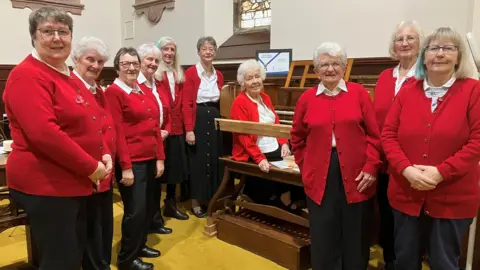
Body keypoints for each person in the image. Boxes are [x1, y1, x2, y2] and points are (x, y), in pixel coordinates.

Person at [3, 7, 110, 269]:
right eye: (47, 31)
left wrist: (104, 152)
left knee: (73, 254)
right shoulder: (27, 75)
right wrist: (91, 166)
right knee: (60, 260)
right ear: (33, 36)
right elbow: (44, 134)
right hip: (47, 184)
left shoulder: (67, 74)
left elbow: (93, 118)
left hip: (73, 180)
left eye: (63, 31)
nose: (56, 38)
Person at [381, 27, 480, 270]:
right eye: (434, 48)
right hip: (407, 192)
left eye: (448, 48)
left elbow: (477, 141)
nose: (440, 54)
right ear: (424, 55)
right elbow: (388, 135)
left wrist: (441, 172)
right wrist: (406, 170)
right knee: (405, 260)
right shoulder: (407, 91)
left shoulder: (472, 91)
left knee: (444, 263)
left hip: (452, 196)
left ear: (458, 56)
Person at [290, 42, 381, 270]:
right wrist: (306, 167)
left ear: (344, 67)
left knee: (355, 231)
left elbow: (374, 135)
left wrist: (371, 166)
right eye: (324, 64)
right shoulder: (306, 99)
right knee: (324, 232)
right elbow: (297, 139)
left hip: (358, 173)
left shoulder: (359, 94)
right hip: (320, 172)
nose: (330, 69)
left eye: (335, 64)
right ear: (315, 69)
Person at [105, 47, 165, 270]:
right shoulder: (114, 92)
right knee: (135, 211)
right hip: (132, 163)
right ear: (117, 67)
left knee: (148, 208)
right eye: (125, 64)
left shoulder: (141, 89)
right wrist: (126, 167)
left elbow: (154, 126)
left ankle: (139, 246)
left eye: (134, 63)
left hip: (149, 159)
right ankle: (127, 259)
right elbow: (117, 132)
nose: (131, 68)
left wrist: (160, 157)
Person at [373, 20, 423, 270]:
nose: (404, 43)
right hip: (383, 161)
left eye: (410, 38)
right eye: (400, 39)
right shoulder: (384, 77)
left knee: (407, 221)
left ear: (420, 44)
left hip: (409, 162)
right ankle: (390, 260)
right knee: (385, 215)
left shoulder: (425, 77)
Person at [230, 59, 305, 212]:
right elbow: (243, 136)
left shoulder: (265, 98)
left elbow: (275, 122)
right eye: (249, 78)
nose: (255, 81)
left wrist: (284, 142)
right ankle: (278, 202)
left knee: (296, 162)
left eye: (257, 76)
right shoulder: (239, 102)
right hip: (253, 151)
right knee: (282, 169)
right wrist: (259, 158)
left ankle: (294, 201)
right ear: (243, 83)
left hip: (273, 146)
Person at [71, 36, 116, 270]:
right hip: (84, 172)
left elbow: (104, 129)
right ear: (76, 58)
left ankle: (103, 264)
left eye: (100, 61)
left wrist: (107, 156)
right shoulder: (69, 85)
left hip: (103, 169)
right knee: (88, 230)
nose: (96, 66)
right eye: (90, 59)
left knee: (103, 227)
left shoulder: (98, 90)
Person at [183, 36, 225, 217]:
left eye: (211, 49)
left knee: (214, 159)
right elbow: (186, 103)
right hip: (197, 118)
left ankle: (211, 198)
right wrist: (189, 129)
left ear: (215, 52)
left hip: (214, 117)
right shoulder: (191, 73)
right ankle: (195, 201)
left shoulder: (219, 74)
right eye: (204, 49)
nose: (208, 52)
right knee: (197, 161)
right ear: (198, 52)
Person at [137, 43, 173, 235]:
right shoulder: (136, 84)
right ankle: (142, 229)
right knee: (142, 192)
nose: (152, 63)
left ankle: (154, 221)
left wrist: (166, 130)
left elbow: (167, 112)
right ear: (140, 61)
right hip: (144, 143)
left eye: (156, 60)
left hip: (161, 141)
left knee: (155, 186)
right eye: (149, 59)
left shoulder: (158, 84)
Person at [154, 36, 189, 220]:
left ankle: (170, 203)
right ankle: (154, 211)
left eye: (172, 50)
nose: (168, 53)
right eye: (165, 49)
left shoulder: (178, 75)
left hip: (176, 128)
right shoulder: (154, 74)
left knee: (174, 168)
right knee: (160, 169)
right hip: (161, 129)